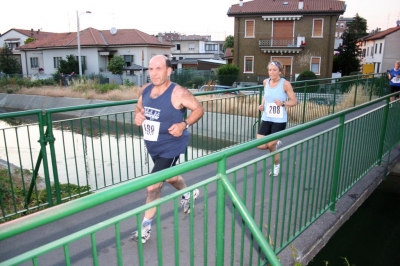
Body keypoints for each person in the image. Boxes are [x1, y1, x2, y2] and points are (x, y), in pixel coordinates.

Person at [132, 55, 205, 243]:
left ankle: (145, 227)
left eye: (158, 68)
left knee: (153, 186)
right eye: (151, 69)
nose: (154, 73)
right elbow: (139, 108)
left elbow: (198, 109)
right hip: (154, 145)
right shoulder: (145, 90)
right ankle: (189, 193)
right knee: (169, 176)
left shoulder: (178, 92)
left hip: (172, 145)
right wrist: (138, 117)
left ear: (168, 70)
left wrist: (184, 124)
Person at [257, 61, 297, 177]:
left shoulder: (285, 84)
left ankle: (276, 166)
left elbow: (294, 101)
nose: (272, 72)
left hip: (279, 120)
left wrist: (283, 103)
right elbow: (266, 95)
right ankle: (276, 143)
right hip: (267, 118)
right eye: (270, 70)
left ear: (280, 71)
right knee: (260, 145)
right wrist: (262, 104)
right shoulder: (266, 82)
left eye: (274, 70)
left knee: (270, 146)